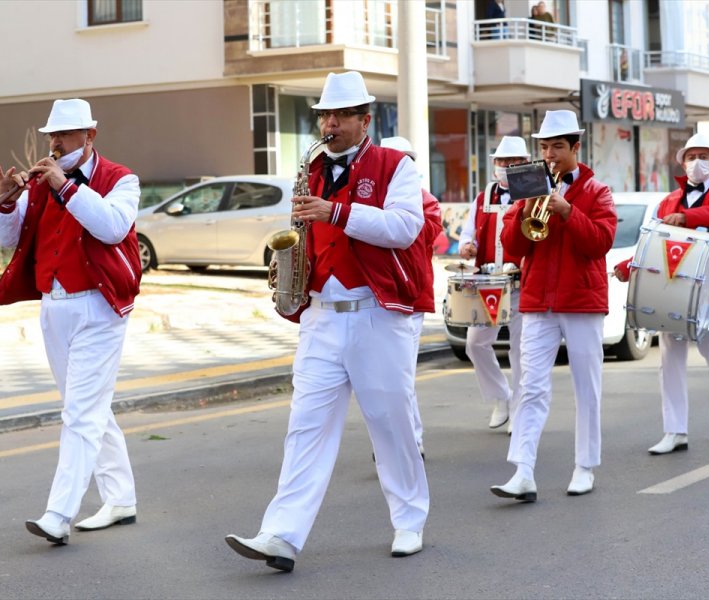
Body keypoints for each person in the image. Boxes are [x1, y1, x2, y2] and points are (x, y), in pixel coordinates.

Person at [225, 71, 430, 572]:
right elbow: (306, 229)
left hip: (377, 314)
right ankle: (281, 534)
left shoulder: (395, 166)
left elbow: (405, 229)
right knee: (305, 427)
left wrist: (336, 213)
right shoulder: (311, 167)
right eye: (324, 115)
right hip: (320, 314)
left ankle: (409, 519)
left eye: (340, 116)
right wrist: (290, 272)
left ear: (366, 119)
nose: (330, 123)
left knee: (391, 423)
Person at [0, 98, 142, 544]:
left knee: (79, 412)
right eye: (52, 136)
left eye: (65, 135)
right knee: (89, 409)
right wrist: (5, 203)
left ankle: (59, 513)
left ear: (89, 137)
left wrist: (65, 186)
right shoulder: (39, 185)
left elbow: (112, 228)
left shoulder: (122, 179)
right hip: (54, 306)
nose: (55, 143)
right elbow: (9, 240)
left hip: (99, 306)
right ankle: (122, 498)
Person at [490, 110, 616, 502]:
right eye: (544, 147)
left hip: (581, 301)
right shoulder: (529, 185)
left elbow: (600, 243)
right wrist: (524, 212)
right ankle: (523, 471)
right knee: (530, 386)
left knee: (586, 386)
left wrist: (566, 210)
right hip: (538, 300)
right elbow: (513, 249)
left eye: (557, 146)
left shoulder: (598, 191)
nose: (549, 154)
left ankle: (585, 466)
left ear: (576, 148)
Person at [614, 132, 709, 454]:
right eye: (691, 156)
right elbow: (654, 240)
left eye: (704, 156)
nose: (697, 163)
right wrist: (630, 264)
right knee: (670, 364)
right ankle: (674, 430)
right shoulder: (668, 201)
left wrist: (689, 217)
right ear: (681, 162)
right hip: (673, 292)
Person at [458, 136, 531, 433]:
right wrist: (466, 246)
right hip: (488, 283)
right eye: (502, 162)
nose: (506, 167)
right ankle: (501, 395)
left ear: (525, 164)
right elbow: (467, 234)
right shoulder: (483, 196)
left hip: (522, 284)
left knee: (520, 350)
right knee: (475, 344)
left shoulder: (533, 193)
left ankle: (519, 411)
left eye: (513, 162)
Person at [380, 135, 443, 458]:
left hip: (409, 298)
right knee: (381, 377)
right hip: (375, 296)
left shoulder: (426, 201)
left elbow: (417, 235)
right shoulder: (371, 198)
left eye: (403, 161)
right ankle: (392, 439)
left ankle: (411, 440)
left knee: (401, 373)